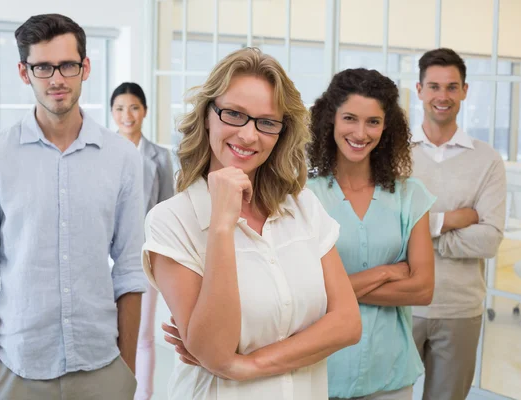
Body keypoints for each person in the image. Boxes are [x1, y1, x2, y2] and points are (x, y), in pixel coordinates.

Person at [142, 47, 362, 400]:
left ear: (281, 133)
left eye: (266, 122)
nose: (248, 135)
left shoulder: (303, 205)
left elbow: (348, 323)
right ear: (208, 115)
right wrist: (221, 226)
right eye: (234, 114)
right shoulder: (171, 221)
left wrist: (250, 364)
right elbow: (213, 351)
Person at [0, 14, 145, 400]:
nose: (56, 79)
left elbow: (129, 270)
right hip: (16, 370)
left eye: (67, 65)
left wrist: (126, 372)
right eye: (43, 67)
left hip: (103, 368)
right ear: (24, 72)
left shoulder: (122, 158)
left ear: (85, 67)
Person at [305, 68, 435, 400]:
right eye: (350, 118)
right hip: (320, 370)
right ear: (330, 119)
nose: (360, 133)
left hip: (390, 374)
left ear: (386, 127)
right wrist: (387, 271)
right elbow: (305, 294)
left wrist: (335, 292)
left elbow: (422, 289)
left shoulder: (410, 195)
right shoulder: (303, 198)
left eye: (373, 122)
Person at [411, 48, 506, 400]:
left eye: (452, 87)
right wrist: (452, 220)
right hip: (399, 306)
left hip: (460, 309)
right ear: (419, 89)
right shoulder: (393, 154)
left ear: (465, 91)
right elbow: (385, 229)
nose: (442, 96)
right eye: (434, 86)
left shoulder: (488, 160)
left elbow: (489, 241)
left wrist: (419, 233)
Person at [110, 82, 175, 400]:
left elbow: (167, 210)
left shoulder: (159, 156)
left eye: (134, 107)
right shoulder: (101, 154)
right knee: (108, 334)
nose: (127, 115)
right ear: (112, 113)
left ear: (145, 111)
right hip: (103, 258)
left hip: (143, 258)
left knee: (143, 336)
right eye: (120, 108)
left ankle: (143, 396)